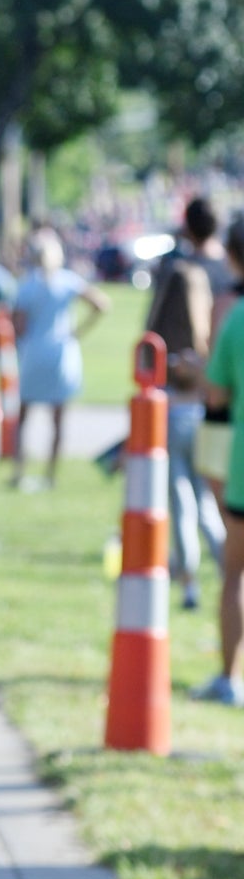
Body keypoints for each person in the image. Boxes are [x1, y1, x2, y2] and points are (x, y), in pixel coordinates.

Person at [150, 198, 225, 611]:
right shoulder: (224, 278)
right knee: (208, 503)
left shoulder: (176, 275)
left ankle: (190, 582)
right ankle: (229, 573)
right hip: (208, 411)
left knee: (181, 502)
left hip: (174, 408)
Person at [11, 229, 108, 486]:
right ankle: (50, 475)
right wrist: (78, 332)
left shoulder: (27, 285)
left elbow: (18, 326)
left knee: (23, 418)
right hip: (61, 354)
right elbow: (101, 304)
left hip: (33, 354)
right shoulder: (67, 281)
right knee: (57, 421)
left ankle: (19, 471)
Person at [193, 216, 244, 705]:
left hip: (241, 468)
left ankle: (231, 679)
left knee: (236, 575)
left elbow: (217, 394)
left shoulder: (236, 318)